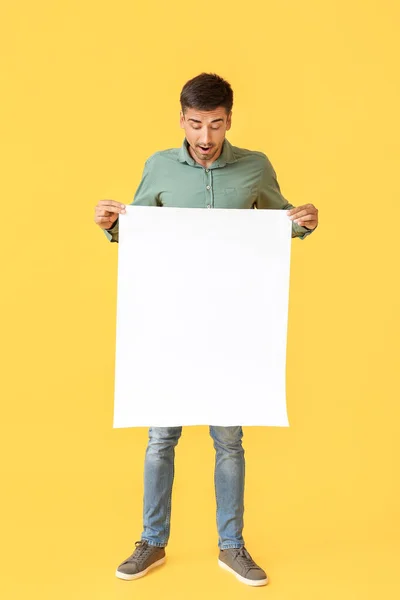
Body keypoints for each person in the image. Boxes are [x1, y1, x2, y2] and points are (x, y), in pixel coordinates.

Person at [94, 73, 319, 587]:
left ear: (229, 122)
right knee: (160, 437)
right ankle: (152, 542)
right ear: (181, 119)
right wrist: (111, 224)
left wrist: (302, 222)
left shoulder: (254, 166)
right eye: (196, 124)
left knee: (229, 440)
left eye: (216, 125)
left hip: (233, 322)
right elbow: (139, 232)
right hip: (170, 320)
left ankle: (232, 546)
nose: (205, 136)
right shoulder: (158, 167)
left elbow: (276, 223)